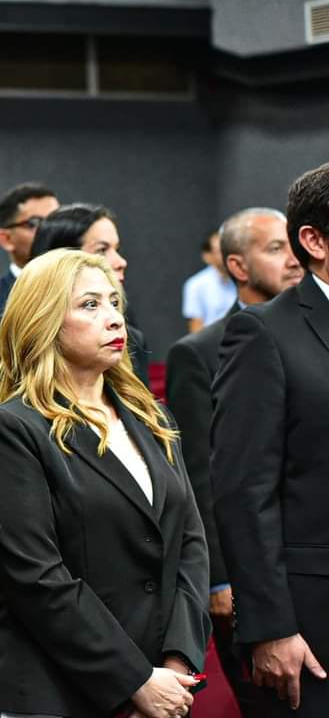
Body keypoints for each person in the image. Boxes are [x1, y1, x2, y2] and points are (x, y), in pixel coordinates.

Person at [0, 249, 209, 718]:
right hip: (52, 692)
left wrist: (177, 661)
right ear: (43, 320)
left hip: (160, 683)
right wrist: (135, 680)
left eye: (114, 302)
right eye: (90, 304)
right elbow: (35, 577)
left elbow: (189, 544)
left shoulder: (153, 418)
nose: (114, 318)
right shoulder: (13, 428)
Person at [166, 207, 300, 716]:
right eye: (275, 248)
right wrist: (219, 578)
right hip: (251, 569)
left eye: (293, 245)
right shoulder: (200, 351)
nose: (293, 259)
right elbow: (202, 474)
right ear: (238, 267)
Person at [212, 164, 329, 716]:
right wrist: (269, 626)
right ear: (315, 241)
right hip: (310, 623)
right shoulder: (264, 332)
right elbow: (243, 489)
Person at [29, 203, 151, 387]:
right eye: (101, 250)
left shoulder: (131, 338)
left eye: (114, 303)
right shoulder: (21, 341)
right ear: (60, 259)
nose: (121, 262)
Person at [0, 182, 59, 370]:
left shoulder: (92, 291)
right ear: (6, 239)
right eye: (36, 223)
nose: (51, 231)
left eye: (56, 220)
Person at [182, 230, 236, 333]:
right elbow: (196, 329)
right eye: (220, 251)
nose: (226, 254)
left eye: (227, 249)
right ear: (207, 256)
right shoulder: (196, 285)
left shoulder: (242, 280)